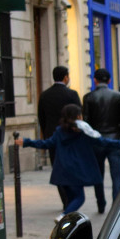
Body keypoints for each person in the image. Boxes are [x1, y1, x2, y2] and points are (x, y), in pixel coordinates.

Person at [14, 104, 120, 214]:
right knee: (80, 198)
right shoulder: (84, 132)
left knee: (71, 200)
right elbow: (102, 142)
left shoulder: (60, 131)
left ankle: (67, 223)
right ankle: (63, 217)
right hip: (77, 171)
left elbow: (46, 143)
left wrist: (26, 142)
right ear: (79, 116)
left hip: (63, 170)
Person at [82, 68, 120, 213]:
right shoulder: (118, 96)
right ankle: (116, 207)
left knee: (98, 174)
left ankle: (100, 203)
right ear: (109, 81)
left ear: (95, 80)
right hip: (114, 138)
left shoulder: (89, 97)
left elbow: (86, 120)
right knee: (116, 175)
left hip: (97, 140)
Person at [37, 66, 83, 207]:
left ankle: (65, 200)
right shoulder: (72, 94)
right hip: (71, 137)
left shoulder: (44, 95)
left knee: (57, 168)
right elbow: (80, 117)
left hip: (52, 137)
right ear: (65, 77)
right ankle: (72, 198)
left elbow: (41, 118)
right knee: (72, 167)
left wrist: (46, 135)